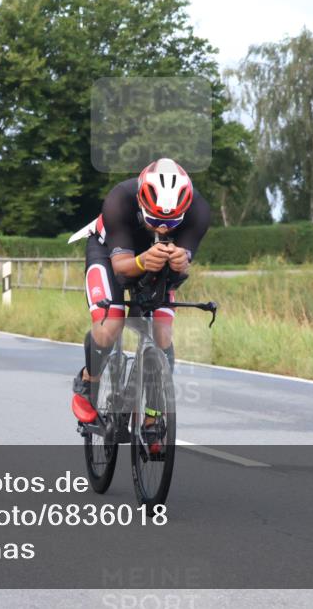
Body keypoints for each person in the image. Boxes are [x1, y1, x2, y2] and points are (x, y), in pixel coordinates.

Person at [72, 158, 211, 422]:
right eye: (155, 219)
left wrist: (182, 262)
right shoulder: (120, 199)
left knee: (161, 334)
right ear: (141, 202)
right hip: (109, 253)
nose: (162, 228)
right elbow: (121, 269)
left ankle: (152, 418)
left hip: (156, 262)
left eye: (172, 223)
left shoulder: (199, 211)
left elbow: (181, 270)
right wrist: (142, 261)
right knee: (110, 326)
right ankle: (89, 379)